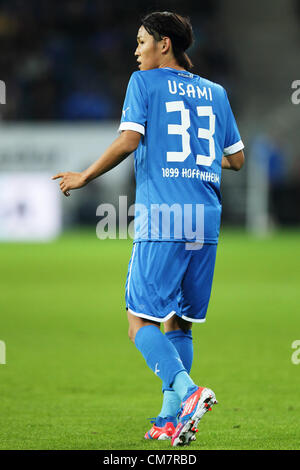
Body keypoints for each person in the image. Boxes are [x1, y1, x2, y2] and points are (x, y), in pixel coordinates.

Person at [52, 11, 245, 447]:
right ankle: (169, 417)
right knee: (181, 321)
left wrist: (84, 176)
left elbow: (128, 140)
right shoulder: (216, 92)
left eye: (141, 42)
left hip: (165, 215)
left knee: (139, 322)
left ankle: (189, 391)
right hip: (206, 217)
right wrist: (196, 154)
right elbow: (236, 159)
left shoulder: (144, 83)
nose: (136, 50)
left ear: (164, 44)